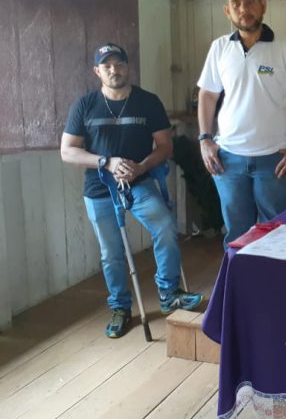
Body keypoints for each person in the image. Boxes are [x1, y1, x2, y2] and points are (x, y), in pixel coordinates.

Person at [61, 43, 203, 339]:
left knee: (165, 227)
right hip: (100, 188)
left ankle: (169, 292)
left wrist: (140, 167)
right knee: (111, 252)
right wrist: (106, 162)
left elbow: (165, 146)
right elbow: (68, 151)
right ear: (97, 71)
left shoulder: (148, 102)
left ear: (128, 67)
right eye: (107, 65)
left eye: (119, 64)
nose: (114, 70)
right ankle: (120, 308)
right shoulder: (84, 105)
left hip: (139, 182)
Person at [197, 0, 286, 246]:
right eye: (236, 4)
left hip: (275, 160)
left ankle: (273, 276)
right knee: (236, 235)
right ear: (227, 11)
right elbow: (207, 95)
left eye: (250, 2)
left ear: (263, 6)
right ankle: (237, 275)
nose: (244, 9)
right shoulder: (220, 48)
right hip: (228, 160)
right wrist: (204, 140)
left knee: (275, 234)